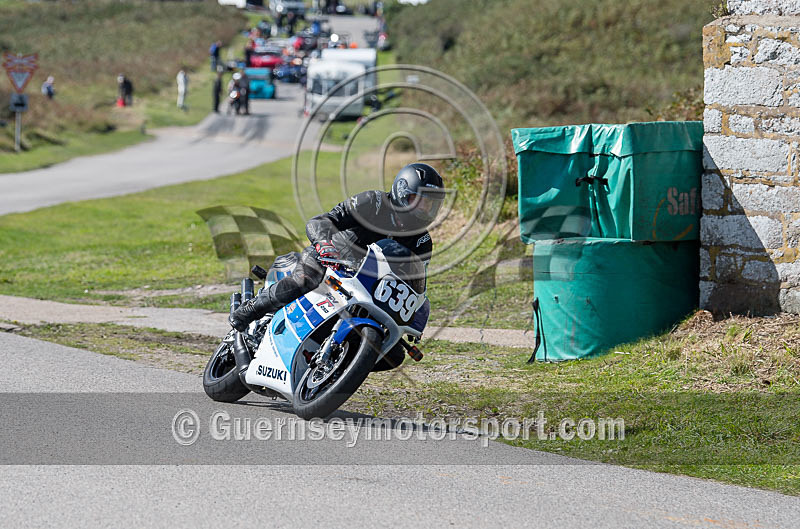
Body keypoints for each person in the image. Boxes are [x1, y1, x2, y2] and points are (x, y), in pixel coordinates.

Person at [229, 163, 445, 336]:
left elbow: (414, 281)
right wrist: (324, 245)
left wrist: (416, 311)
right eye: (420, 201)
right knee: (305, 278)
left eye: (430, 204)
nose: (425, 209)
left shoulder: (421, 240)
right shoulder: (374, 202)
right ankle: (250, 309)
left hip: (367, 287)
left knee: (395, 353)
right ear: (402, 191)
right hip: (331, 261)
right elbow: (321, 221)